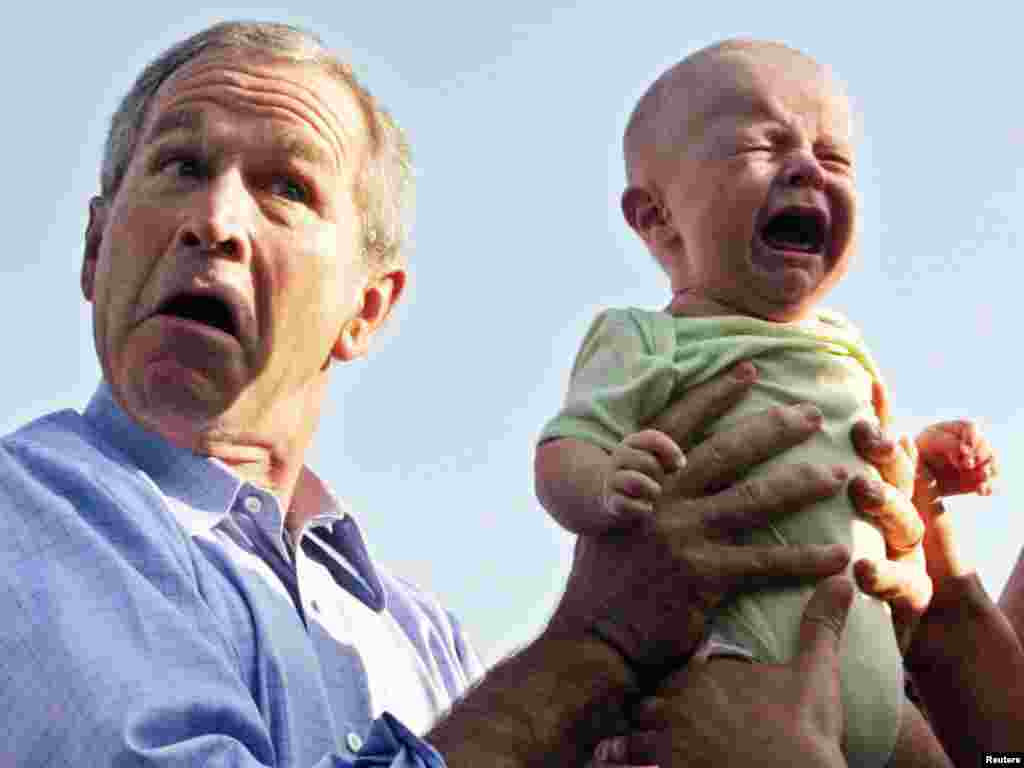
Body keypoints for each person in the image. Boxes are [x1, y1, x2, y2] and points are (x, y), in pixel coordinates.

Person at [0, 21, 941, 768]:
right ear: (92, 249)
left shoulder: (420, 636)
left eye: (285, 186)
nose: (216, 222)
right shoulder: (28, 516)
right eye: (181, 167)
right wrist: (596, 644)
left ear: (367, 309)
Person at [535, 39, 995, 767]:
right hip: (728, 680)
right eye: (763, 143)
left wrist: (926, 457)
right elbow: (565, 447)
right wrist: (601, 487)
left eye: (834, 157)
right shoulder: (648, 339)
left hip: (874, 684)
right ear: (657, 218)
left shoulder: (845, 344)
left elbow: (868, 457)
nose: (808, 167)